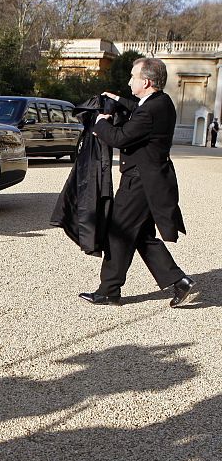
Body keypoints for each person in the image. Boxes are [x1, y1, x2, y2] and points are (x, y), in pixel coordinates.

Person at [79, 57, 196, 307]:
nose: (129, 80)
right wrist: (119, 99)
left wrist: (100, 122)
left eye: (133, 76)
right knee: (141, 234)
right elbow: (137, 106)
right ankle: (179, 281)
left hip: (139, 182)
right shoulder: (161, 102)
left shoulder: (150, 110)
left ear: (146, 81)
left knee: (118, 233)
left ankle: (109, 291)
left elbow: (120, 138)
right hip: (149, 179)